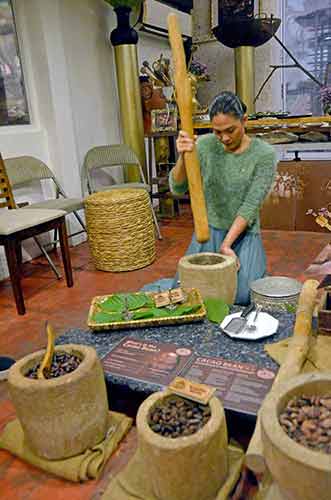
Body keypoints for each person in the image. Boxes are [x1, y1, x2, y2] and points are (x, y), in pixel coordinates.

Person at [169, 91, 277, 305]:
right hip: (209, 233)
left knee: (242, 296)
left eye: (230, 130)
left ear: (244, 121)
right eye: (217, 132)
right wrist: (183, 156)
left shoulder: (264, 154)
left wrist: (227, 246)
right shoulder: (205, 145)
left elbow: (250, 206)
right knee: (186, 292)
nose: (225, 138)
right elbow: (177, 188)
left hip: (243, 234)